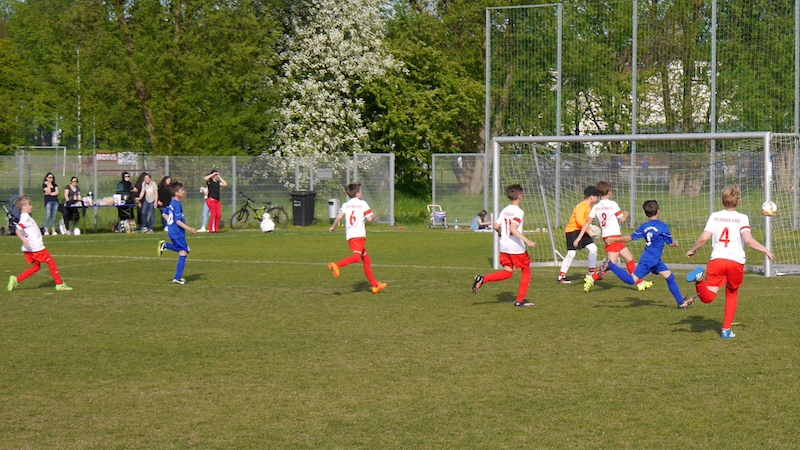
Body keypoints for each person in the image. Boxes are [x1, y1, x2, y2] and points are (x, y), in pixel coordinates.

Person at [684, 186, 774, 338]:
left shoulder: (715, 216)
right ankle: (726, 330)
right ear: (738, 201)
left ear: (722, 201)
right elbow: (748, 240)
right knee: (732, 293)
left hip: (717, 259)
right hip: (735, 261)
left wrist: (693, 250)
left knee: (708, 297)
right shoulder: (742, 218)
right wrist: (766, 250)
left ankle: (699, 280)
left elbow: (704, 238)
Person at [594, 200, 695, 309]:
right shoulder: (663, 227)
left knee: (670, 277)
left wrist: (614, 239)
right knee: (631, 280)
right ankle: (610, 265)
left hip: (655, 260)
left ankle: (681, 303)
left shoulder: (644, 226)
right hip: (649, 261)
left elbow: (630, 238)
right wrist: (675, 243)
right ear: (658, 211)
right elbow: (670, 243)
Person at [471, 184, 537, 307]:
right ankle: (519, 300)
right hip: (516, 247)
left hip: (504, 246)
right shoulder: (519, 211)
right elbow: (513, 228)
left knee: (507, 272)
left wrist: (502, 234)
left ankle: (483, 279)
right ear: (520, 196)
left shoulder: (505, 210)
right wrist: (527, 241)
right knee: (526, 270)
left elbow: (496, 226)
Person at [578, 180, 640, 292]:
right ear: (609, 192)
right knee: (610, 264)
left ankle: (639, 283)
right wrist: (626, 213)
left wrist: (579, 237)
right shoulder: (613, 204)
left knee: (629, 257)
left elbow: (587, 222)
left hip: (610, 236)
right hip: (613, 237)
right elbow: (622, 219)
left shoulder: (596, 207)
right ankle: (591, 278)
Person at [327, 182, 388, 294]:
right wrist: (374, 215)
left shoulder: (346, 205)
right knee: (356, 258)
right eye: (360, 190)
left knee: (366, 259)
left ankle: (374, 286)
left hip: (351, 235)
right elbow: (369, 219)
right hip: (358, 235)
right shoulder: (362, 203)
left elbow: (339, 216)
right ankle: (336, 265)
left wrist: (333, 227)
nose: (361, 192)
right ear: (358, 193)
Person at [8, 196, 72, 291]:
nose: (31, 206)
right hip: (36, 247)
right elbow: (18, 230)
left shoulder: (24, 217)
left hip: (30, 248)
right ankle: (59, 284)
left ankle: (16, 279)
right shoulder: (25, 218)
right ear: (24, 207)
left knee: (36, 267)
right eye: (29, 205)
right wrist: (24, 240)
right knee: (51, 262)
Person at [557, 186, 600, 284]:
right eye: (596, 196)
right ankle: (561, 277)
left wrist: (589, 229)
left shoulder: (589, 207)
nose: (597, 198)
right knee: (571, 253)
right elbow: (580, 220)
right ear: (591, 197)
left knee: (593, 249)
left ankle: (591, 274)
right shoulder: (581, 206)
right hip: (572, 231)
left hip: (582, 231)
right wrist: (589, 231)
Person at [159, 181, 197, 285]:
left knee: (184, 250)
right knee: (184, 251)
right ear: (176, 193)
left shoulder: (172, 203)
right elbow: (178, 221)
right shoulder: (177, 205)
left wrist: (170, 223)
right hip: (177, 233)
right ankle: (177, 278)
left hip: (173, 232)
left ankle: (165, 245)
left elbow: (164, 214)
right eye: (181, 190)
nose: (183, 191)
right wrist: (190, 229)